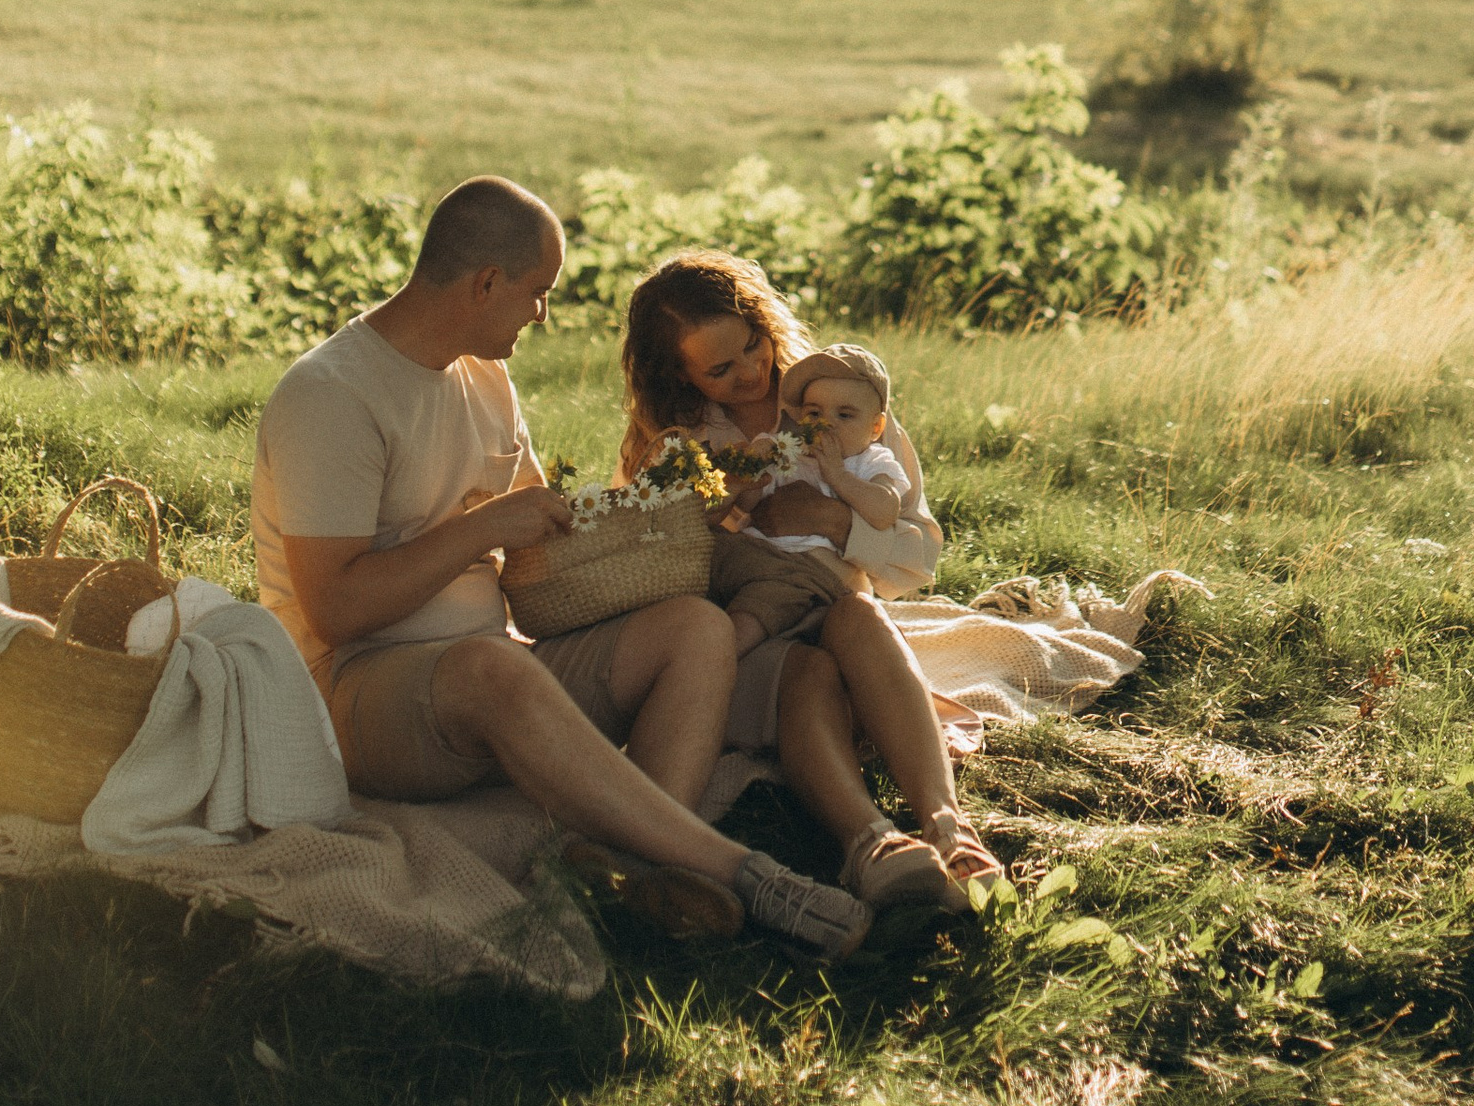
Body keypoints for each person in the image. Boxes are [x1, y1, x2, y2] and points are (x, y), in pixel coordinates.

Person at [253, 174, 868, 960]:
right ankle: (742, 874)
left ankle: (636, 868)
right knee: (491, 668)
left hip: (496, 669)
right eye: (536, 293)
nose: (542, 314)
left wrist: (680, 499)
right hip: (356, 692)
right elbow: (334, 609)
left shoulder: (484, 376)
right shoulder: (332, 397)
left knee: (693, 629)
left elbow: (544, 526)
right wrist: (484, 528)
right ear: (485, 284)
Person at [619, 253, 1005, 923]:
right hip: (747, 637)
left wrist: (834, 520)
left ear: (763, 323)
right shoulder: (678, 447)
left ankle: (949, 828)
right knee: (806, 669)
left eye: (753, 344)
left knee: (858, 617)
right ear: (677, 375)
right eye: (721, 369)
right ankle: (871, 842)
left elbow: (918, 558)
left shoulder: (838, 402)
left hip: (840, 612)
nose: (751, 370)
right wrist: (714, 511)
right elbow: (645, 560)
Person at [708, 342, 916, 658]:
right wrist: (746, 478)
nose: (826, 423)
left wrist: (838, 476)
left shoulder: (871, 461)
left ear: (875, 427)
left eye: (844, 415)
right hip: (752, 549)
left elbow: (885, 511)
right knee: (708, 550)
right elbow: (749, 505)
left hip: (803, 569)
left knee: (761, 606)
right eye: (814, 413)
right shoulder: (788, 452)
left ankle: (716, 657)